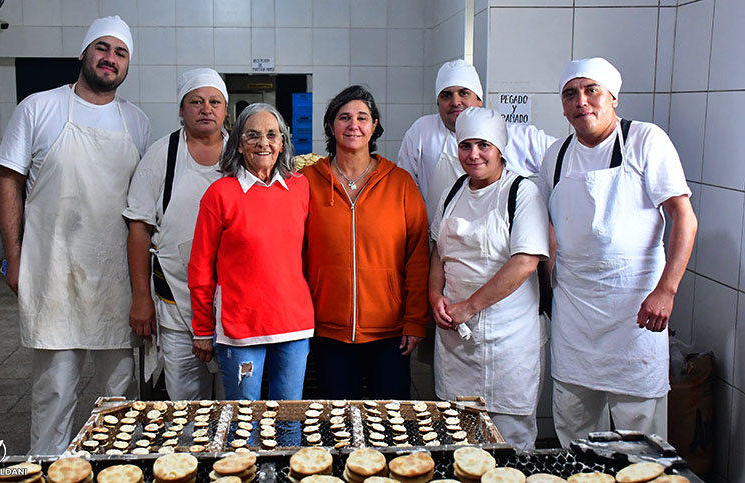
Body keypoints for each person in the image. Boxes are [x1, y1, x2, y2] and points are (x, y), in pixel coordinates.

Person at [0, 16, 150, 454]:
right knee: (54, 390)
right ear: (83, 53)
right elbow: (9, 182)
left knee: (118, 395)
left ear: (127, 66)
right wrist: (15, 255)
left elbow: (141, 205)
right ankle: (46, 466)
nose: (110, 59)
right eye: (103, 48)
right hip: (53, 271)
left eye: (121, 53)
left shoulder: (135, 121)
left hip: (114, 278)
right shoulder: (38, 107)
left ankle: (117, 468)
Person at [536, 57, 697, 446]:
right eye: (571, 93)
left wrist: (666, 290)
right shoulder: (555, 156)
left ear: (613, 98)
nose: (582, 101)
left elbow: (684, 218)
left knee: (640, 438)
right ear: (563, 105)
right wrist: (546, 296)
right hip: (576, 314)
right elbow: (549, 232)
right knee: (575, 431)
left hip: (636, 312)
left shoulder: (645, 140)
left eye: (592, 90)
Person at [428, 107, 549, 449]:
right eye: (466, 146)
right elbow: (439, 250)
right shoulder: (453, 192)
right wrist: (435, 295)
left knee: (508, 439)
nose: (474, 154)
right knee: (457, 435)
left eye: (483, 145)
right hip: (456, 338)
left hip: (507, 339)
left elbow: (525, 261)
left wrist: (470, 306)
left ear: (499, 149)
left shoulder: (521, 193)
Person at [302, 85, 429, 399]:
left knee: (389, 424)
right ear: (331, 126)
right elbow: (293, 252)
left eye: (362, 117)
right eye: (343, 117)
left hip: (389, 333)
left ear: (374, 127)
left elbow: (417, 256)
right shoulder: (307, 183)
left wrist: (414, 321)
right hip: (327, 330)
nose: (353, 125)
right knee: (336, 424)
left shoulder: (400, 183)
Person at [188, 103, 314, 401]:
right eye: (252, 135)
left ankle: (288, 452)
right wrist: (203, 329)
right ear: (238, 144)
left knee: (289, 416)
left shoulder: (300, 188)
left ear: (283, 143)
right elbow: (200, 267)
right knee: (243, 420)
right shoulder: (220, 193)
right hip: (240, 328)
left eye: (272, 134)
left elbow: (307, 254)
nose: (263, 142)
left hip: (293, 325)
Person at [123, 68, 228, 401]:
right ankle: (188, 453)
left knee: (235, 401)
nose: (206, 109)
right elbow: (139, 228)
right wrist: (141, 296)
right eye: (195, 101)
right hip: (175, 297)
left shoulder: (243, 155)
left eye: (214, 101)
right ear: (181, 110)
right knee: (184, 400)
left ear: (226, 110)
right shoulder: (162, 155)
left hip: (232, 303)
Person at [398, 59, 556, 222]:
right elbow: (402, 188)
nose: (455, 102)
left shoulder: (514, 135)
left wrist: (548, 215)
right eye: (446, 95)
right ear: (438, 103)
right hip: (441, 237)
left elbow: (561, 160)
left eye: (464, 93)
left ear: (479, 100)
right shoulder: (423, 131)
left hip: (500, 242)